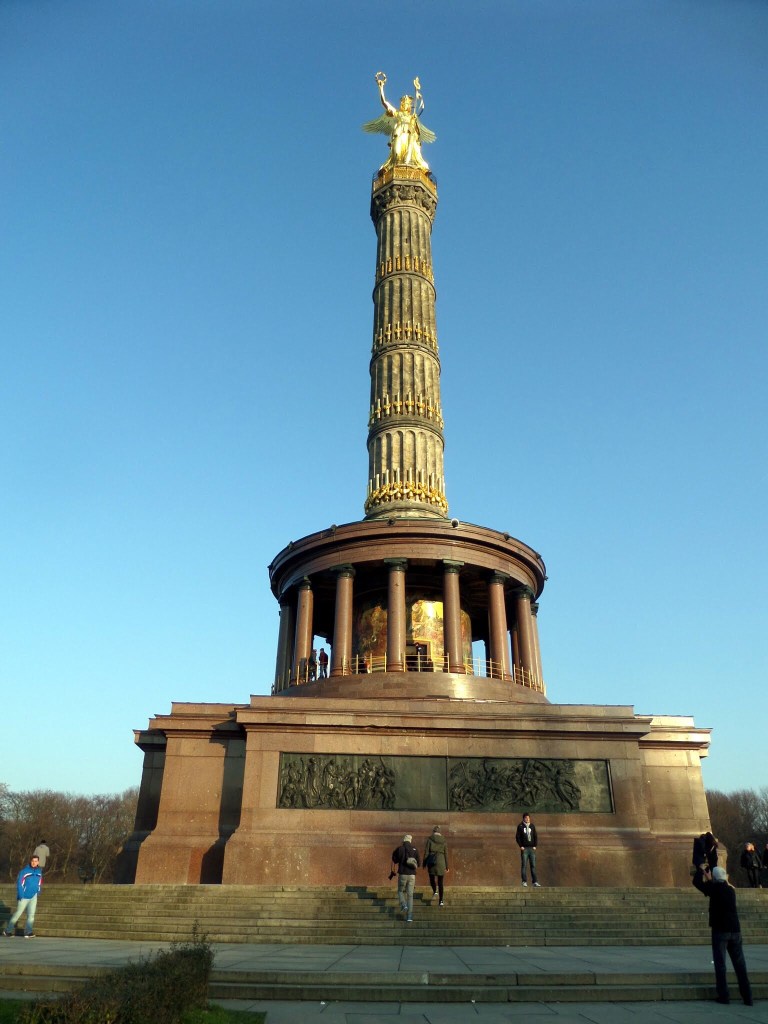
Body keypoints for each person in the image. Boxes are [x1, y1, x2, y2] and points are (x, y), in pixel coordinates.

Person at [692, 864, 753, 1005]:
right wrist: (711, 878)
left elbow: (697, 883)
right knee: (740, 965)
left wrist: (700, 870)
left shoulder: (713, 889)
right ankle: (748, 997)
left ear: (713, 877)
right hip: (735, 930)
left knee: (720, 965)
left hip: (720, 931)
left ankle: (724, 996)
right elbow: (720, 884)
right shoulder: (731, 890)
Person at [362, 72, 436, 173]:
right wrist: (381, 88)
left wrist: (414, 122)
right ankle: (393, 168)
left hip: (410, 135)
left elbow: (418, 132)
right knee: (397, 153)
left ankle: (410, 167)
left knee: (410, 155)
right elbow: (384, 102)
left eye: (407, 104)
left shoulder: (412, 117)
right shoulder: (397, 113)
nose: (405, 105)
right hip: (399, 133)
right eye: (404, 103)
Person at [3, 854, 43, 938]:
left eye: (35, 861)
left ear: (38, 862)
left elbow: (39, 882)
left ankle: (28, 932)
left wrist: (38, 891)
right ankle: (7, 931)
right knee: (18, 913)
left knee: (31, 915)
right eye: (32, 861)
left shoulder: (39, 871)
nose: (34, 863)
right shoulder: (24, 871)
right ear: (30, 861)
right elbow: (19, 884)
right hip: (24, 897)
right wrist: (21, 894)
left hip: (33, 896)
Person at [391, 832, 419, 923]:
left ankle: (403, 904)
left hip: (403, 873)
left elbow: (394, 860)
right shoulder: (415, 849)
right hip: (412, 875)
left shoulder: (400, 849)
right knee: (410, 895)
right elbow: (418, 862)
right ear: (410, 840)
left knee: (400, 891)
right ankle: (409, 917)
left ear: (404, 840)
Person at [423, 825, 449, 906]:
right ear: (440, 832)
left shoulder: (430, 839)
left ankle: (435, 891)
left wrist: (424, 863)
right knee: (440, 882)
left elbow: (426, 852)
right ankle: (441, 901)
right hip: (441, 861)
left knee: (432, 878)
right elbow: (446, 854)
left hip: (431, 860)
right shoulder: (444, 840)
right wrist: (447, 866)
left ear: (433, 831)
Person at [516, 812, 540, 887]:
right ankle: (524, 881)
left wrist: (535, 846)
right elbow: (517, 837)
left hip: (532, 848)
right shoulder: (520, 826)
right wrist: (521, 846)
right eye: (526, 818)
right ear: (523, 818)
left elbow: (535, 836)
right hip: (525, 848)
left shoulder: (532, 826)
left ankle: (535, 882)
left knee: (533, 865)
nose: (527, 819)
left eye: (528, 818)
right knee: (524, 865)